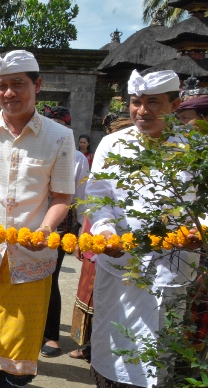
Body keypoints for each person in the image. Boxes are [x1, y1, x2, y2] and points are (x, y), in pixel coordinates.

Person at [0, 50, 75, 388]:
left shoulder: (60, 136)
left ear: (37, 85)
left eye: (18, 84)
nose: (9, 93)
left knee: (21, 334)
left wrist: (46, 228)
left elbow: (62, 197)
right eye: (1, 86)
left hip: (32, 255)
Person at [86, 68, 201, 387]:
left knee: (161, 359)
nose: (143, 110)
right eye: (137, 102)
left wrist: (200, 230)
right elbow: (98, 199)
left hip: (172, 269)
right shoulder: (111, 145)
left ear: (175, 104)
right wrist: (106, 231)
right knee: (114, 356)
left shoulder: (195, 148)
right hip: (120, 268)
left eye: (154, 102)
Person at [69, 115, 133, 362]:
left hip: (130, 246)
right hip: (97, 233)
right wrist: (84, 233)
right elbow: (92, 202)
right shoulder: (105, 162)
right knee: (88, 291)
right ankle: (88, 343)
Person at [40, 106, 89, 358]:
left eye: (62, 123)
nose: (58, 127)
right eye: (53, 122)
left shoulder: (78, 159)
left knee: (50, 278)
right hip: (25, 225)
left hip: (59, 228)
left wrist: (81, 232)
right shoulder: (36, 146)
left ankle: (51, 335)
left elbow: (81, 199)